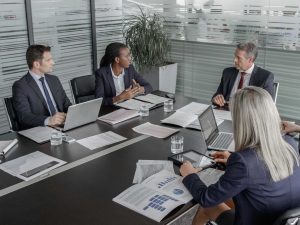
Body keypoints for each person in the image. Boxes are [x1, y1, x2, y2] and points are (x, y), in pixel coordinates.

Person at [180, 86, 300, 225]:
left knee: (206, 206)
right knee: (225, 196)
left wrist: (189, 175)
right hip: (281, 218)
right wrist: (232, 160)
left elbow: (207, 198)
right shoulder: (290, 143)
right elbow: (263, 168)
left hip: (256, 220)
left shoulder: (243, 162)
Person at [12, 44, 71, 130]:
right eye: (48, 60)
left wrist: (72, 114)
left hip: (63, 126)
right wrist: (49, 120)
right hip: (41, 130)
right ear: (36, 64)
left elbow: (66, 104)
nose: (53, 62)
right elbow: (24, 117)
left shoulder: (54, 80)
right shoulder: (20, 86)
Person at [212, 42, 274, 107]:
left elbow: (268, 105)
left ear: (250, 60)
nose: (234, 60)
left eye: (238, 58)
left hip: (248, 114)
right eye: (235, 56)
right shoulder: (228, 72)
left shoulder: (265, 77)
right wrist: (216, 99)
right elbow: (217, 95)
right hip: (226, 111)